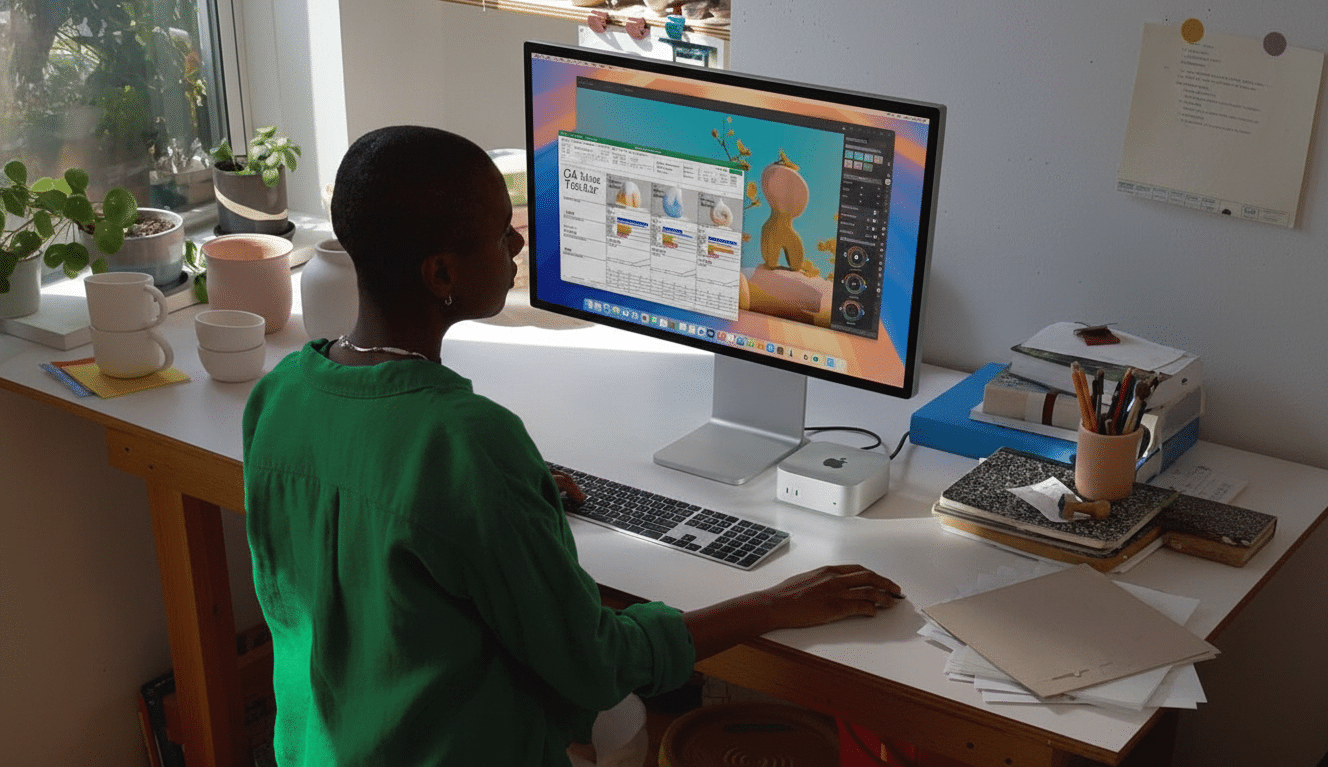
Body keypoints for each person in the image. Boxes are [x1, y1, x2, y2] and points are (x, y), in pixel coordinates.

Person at [242, 125, 903, 766]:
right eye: (500, 233)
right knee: (625, 722)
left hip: (319, 749)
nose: (517, 241)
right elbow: (597, 663)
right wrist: (775, 604)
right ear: (441, 271)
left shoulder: (280, 396)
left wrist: (510, 494)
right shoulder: (470, 443)